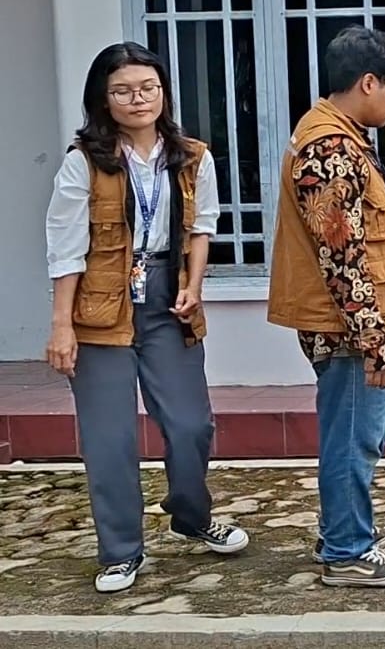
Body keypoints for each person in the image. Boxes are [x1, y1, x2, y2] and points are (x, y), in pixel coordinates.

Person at [43, 42, 248, 593]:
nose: (138, 99)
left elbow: (202, 226)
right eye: (123, 91)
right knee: (109, 436)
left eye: (147, 88)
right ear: (104, 100)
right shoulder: (83, 161)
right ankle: (120, 550)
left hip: (166, 299)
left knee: (190, 424)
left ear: (163, 92)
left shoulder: (191, 156)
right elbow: (65, 248)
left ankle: (192, 516)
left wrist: (194, 285)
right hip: (99, 302)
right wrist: (62, 324)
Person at [266, 26, 385, 588]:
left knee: (364, 432)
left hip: (359, 320)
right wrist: (372, 333)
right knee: (354, 436)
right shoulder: (329, 149)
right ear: (367, 82)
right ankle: (347, 551)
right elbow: (341, 256)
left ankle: (344, 527)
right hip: (350, 325)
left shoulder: (343, 137)